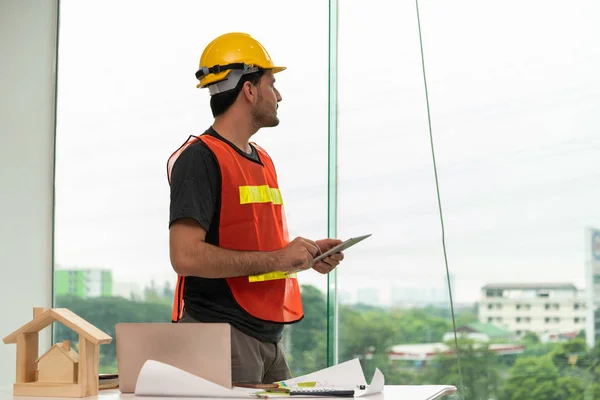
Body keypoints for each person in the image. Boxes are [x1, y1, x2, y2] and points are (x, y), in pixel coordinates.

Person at [166, 32, 345, 384]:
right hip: (220, 335)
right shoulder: (199, 159)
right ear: (248, 90)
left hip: (265, 340)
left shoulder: (262, 159)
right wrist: (279, 258)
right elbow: (185, 257)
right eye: (271, 83)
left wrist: (303, 256)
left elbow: (257, 246)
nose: (278, 95)